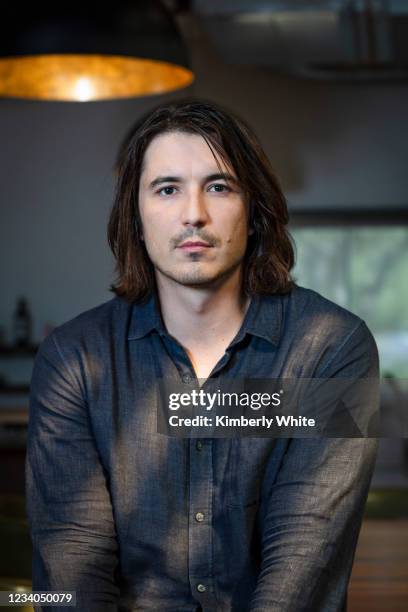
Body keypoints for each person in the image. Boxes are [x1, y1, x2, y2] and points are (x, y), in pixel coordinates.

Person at [26, 99, 379, 612]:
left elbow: (306, 555)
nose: (194, 214)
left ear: (255, 212)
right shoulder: (74, 359)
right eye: (167, 189)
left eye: (219, 186)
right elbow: (71, 562)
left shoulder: (331, 347)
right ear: (138, 219)